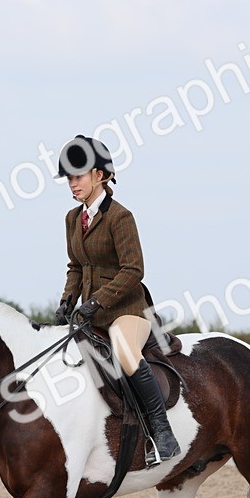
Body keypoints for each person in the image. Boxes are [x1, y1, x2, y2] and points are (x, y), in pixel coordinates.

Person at [53, 135, 180, 465]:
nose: (72, 184)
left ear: (99, 175)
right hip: (90, 314)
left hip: (127, 310)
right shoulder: (72, 219)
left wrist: (96, 301)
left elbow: (133, 270)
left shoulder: (120, 217)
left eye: (78, 176)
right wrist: (68, 299)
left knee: (125, 353)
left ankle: (163, 433)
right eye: (68, 178)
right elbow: (76, 266)